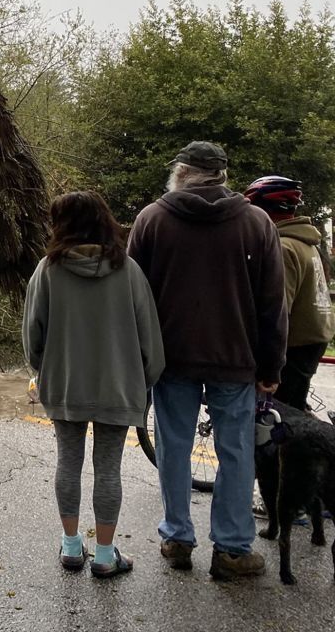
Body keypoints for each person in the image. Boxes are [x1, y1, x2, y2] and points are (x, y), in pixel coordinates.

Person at [127, 141, 287, 580]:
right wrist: (272, 368)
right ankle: (233, 549)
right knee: (235, 452)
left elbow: (132, 299)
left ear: (180, 173)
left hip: (170, 359)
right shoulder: (256, 223)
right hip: (234, 359)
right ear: (221, 175)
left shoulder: (151, 220)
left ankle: (177, 537)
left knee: (173, 447)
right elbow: (273, 304)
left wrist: (137, 360)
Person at [24, 191, 165, 578]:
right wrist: (144, 381)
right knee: (109, 469)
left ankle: (71, 548)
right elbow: (149, 339)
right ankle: (105, 555)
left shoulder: (47, 270)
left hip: (66, 384)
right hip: (118, 387)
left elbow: (32, 335)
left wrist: (47, 369)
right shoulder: (129, 271)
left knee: (67, 462)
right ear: (105, 221)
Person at [244, 176, 334, 411]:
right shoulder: (306, 242)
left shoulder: (283, 247)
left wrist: (266, 362)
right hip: (313, 338)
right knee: (293, 405)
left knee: (277, 417)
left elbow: (278, 307)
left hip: (294, 342)